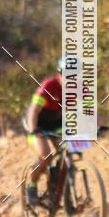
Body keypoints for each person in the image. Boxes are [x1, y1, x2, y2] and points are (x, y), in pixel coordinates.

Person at [24, 57, 64, 204]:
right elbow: (33, 111)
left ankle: (56, 185)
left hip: (56, 124)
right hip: (37, 123)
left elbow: (90, 109)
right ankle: (32, 185)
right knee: (46, 155)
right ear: (59, 74)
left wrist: (97, 126)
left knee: (67, 149)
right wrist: (33, 130)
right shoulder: (48, 85)